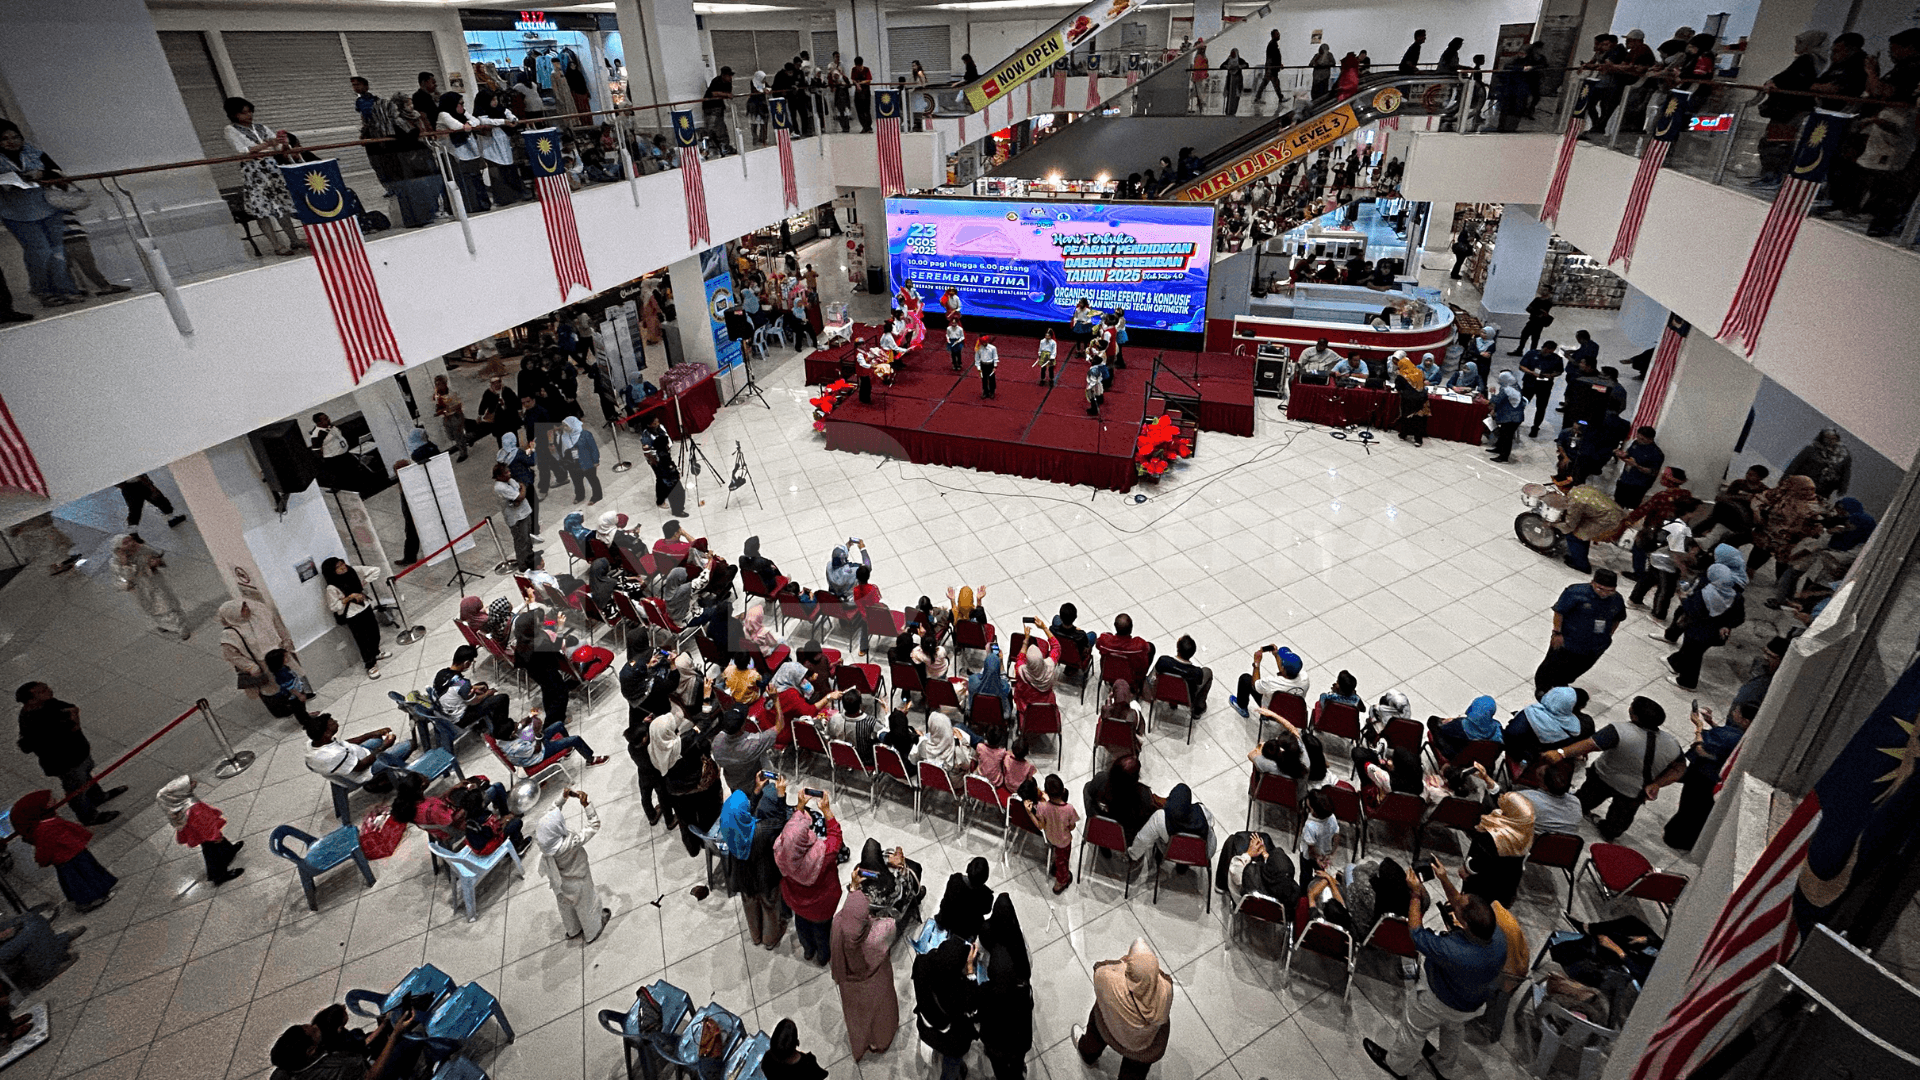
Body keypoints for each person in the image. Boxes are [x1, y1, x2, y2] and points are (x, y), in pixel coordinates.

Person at [1362, 861, 1507, 1080]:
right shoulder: (1497, 936)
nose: (1455, 900)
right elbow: (1463, 907)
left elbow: (1417, 934)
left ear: (1466, 925)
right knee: (1453, 1029)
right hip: (1473, 1002)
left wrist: (1415, 895)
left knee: (1413, 1031)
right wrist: (1444, 878)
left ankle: (1397, 1066)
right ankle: (1445, 1067)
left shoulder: (1453, 950)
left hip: (1440, 1000)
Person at [1543, 696, 1685, 841]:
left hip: (1603, 778)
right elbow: (1679, 769)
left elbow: (1590, 745)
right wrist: (1657, 784)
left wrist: (1561, 753)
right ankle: (1608, 831)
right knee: (1618, 821)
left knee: (1583, 801)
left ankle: (1572, 814)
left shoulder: (1618, 731)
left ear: (1634, 715)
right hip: (1635, 791)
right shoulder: (1672, 744)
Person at [15, 682, 125, 828]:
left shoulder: (50, 703)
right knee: (76, 790)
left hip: (79, 752)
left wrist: (71, 721)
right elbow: (67, 727)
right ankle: (89, 816)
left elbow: (72, 711)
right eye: (42, 691)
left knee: (86, 776)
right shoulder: (31, 720)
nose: (49, 690)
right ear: (31, 699)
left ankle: (98, 797)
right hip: (64, 762)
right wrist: (70, 722)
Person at [1074, 938, 1172, 1080]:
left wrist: (1121, 963)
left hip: (1108, 1030)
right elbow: (1165, 978)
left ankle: (1087, 1053)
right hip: (1144, 1048)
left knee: (1098, 1017)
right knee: (1134, 1072)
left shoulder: (1107, 978)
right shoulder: (1166, 990)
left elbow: (1098, 968)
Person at [221, 98, 307, 258]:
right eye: (243, 113)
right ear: (234, 114)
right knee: (262, 210)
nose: (249, 115)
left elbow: (278, 147)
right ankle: (276, 245)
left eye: (250, 111)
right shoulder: (230, 130)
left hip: (272, 169)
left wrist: (284, 143)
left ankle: (294, 239)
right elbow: (243, 151)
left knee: (282, 206)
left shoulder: (261, 127)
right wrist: (268, 144)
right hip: (254, 171)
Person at [10, 790, 116, 912]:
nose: (54, 800)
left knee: (84, 876)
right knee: (81, 878)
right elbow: (45, 849)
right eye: (49, 800)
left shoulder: (47, 822)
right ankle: (88, 900)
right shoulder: (45, 828)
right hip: (69, 858)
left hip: (71, 855)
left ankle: (95, 894)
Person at [830, 874, 898, 1061]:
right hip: (875, 979)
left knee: (858, 1016)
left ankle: (864, 1041)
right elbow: (892, 925)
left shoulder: (838, 925)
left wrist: (852, 890)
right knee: (881, 1012)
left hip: (850, 984)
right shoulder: (879, 932)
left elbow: (848, 914)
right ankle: (880, 1041)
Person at [1534, 568, 1625, 697]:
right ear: (1592, 583)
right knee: (1551, 665)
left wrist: (1608, 635)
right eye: (1600, 589)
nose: (1604, 593)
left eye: (1610, 590)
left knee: (1578, 668)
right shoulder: (1575, 592)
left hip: (1595, 645)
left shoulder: (1617, 599)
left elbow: (1618, 618)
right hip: (1568, 640)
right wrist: (1557, 633)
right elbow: (1559, 612)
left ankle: (1561, 683)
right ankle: (1542, 687)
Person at [777, 789, 844, 963]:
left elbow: (791, 831)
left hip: (796, 902)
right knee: (822, 932)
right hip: (821, 906)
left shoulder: (780, 851)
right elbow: (836, 836)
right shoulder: (822, 854)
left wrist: (800, 807)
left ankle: (808, 951)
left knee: (802, 927)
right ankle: (822, 957)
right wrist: (826, 810)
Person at [534, 788, 609, 942]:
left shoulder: (545, 843)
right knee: (586, 904)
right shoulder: (571, 842)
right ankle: (593, 931)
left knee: (565, 906)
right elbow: (593, 825)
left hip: (559, 882)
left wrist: (562, 798)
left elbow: (549, 815)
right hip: (578, 880)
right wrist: (587, 805)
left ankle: (573, 930)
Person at [1666, 563, 1747, 691]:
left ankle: (1687, 682)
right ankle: (1675, 664)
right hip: (1714, 634)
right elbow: (1739, 618)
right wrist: (1727, 625)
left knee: (1693, 657)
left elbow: (1691, 609)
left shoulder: (1706, 593)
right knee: (1692, 652)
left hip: (1697, 631)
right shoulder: (1736, 597)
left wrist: (1684, 598)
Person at [157, 774, 244, 885]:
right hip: (207, 834)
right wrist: (215, 836)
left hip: (200, 833)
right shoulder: (193, 808)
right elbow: (205, 826)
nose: (194, 782)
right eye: (190, 783)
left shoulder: (181, 805)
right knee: (211, 852)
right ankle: (218, 875)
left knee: (215, 845)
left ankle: (228, 852)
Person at [913, 935, 977, 1080]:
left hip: (925, 1025)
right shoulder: (956, 995)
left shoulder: (921, 964)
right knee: (951, 1064)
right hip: (949, 1040)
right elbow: (972, 1003)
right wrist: (970, 970)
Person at [105, 533, 188, 639]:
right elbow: (122, 580)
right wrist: (125, 564)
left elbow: (159, 560)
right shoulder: (116, 563)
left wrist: (156, 562)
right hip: (140, 589)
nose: (130, 544)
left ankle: (181, 627)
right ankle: (166, 625)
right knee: (152, 608)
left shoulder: (143, 549)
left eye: (130, 540)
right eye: (125, 543)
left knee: (167, 604)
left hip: (154, 582)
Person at [322, 558, 391, 680]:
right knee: (362, 640)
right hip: (352, 614)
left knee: (374, 631)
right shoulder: (331, 587)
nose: (343, 567)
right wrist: (350, 597)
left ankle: (376, 652)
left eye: (342, 564)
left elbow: (375, 570)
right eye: (338, 567)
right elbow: (333, 606)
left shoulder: (352, 571)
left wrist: (362, 583)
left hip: (365, 606)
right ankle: (370, 664)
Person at [1026, 773, 1080, 894]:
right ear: (1063, 790)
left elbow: (1040, 825)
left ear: (1046, 792)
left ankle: (1055, 863)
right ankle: (1061, 882)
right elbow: (1072, 827)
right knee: (1063, 862)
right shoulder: (1069, 809)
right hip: (1063, 842)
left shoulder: (1042, 807)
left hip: (1050, 837)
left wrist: (1030, 813)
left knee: (1057, 855)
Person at [1148, 634, 1213, 715]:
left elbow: (1153, 677)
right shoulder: (1196, 672)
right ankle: (1198, 709)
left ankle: (1148, 693)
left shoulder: (1163, 661)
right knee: (1207, 672)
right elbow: (1198, 683)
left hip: (1162, 692)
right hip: (1185, 698)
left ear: (1177, 648)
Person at [1786, 428, 1852, 498]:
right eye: (1827, 438)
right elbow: (1796, 463)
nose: (1830, 441)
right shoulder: (1812, 449)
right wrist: (1786, 477)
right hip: (1803, 485)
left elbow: (1845, 474)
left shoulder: (1843, 455)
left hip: (1824, 491)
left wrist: (1842, 490)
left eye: (1833, 438)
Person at [1253, 29, 1284, 105]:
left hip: (1272, 68)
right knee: (1273, 83)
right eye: (1277, 34)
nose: (1279, 35)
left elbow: (1274, 57)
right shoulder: (1272, 45)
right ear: (1273, 35)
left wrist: (1279, 64)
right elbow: (1271, 58)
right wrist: (1271, 68)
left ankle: (1257, 98)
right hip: (1272, 69)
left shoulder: (1273, 44)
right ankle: (1280, 98)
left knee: (1268, 83)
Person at [1220, 48, 1250, 116]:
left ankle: (1233, 111)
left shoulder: (1239, 60)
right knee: (1230, 96)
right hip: (1230, 81)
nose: (1233, 55)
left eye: (1234, 53)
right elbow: (1221, 66)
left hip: (1237, 81)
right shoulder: (1229, 60)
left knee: (1236, 96)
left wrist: (1239, 66)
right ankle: (1228, 111)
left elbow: (1247, 65)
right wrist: (1227, 67)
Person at [851, 56, 874, 132]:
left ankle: (869, 127)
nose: (858, 68)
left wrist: (860, 83)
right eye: (857, 66)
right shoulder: (854, 69)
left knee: (866, 109)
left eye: (859, 66)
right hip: (858, 92)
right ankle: (864, 126)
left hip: (866, 91)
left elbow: (869, 80)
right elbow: (853, 79)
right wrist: (857, 84)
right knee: (859, 110)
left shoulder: (866, 69)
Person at [975, 334, 999, 398]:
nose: (984, 343)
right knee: (984, 379)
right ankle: (985, 391)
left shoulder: (993, 348)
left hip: (990, 365)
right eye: (983, 342)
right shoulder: (978, 348)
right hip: (983, 365)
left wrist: (995, 366)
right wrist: (978, 367)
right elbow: (977, 358)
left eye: (985, 342)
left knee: (992, 379)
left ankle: (992, 391)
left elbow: (995, 357)